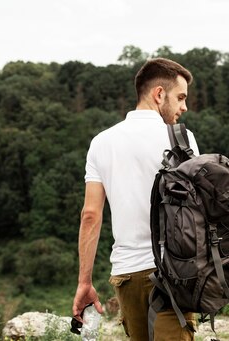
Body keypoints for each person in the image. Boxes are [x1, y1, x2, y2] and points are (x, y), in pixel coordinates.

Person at [72, 58, 199, 340]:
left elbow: (90, 215)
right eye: (180, 97)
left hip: (126, 274)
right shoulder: (182, 139)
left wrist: (84, 282)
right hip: (173, 272)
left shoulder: (101, 143)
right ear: (159, 94)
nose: (184, 107)